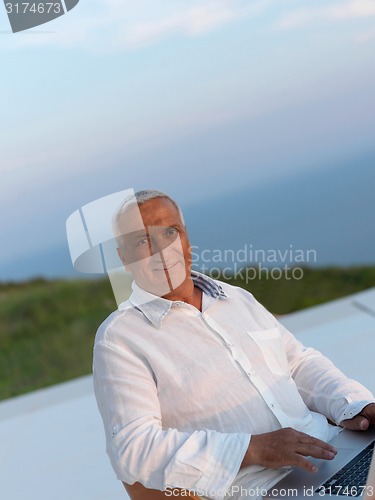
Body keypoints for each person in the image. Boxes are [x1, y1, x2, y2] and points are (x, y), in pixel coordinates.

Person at [93, 189, 375, 500]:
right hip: (268, 487)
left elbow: (297, 363)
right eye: (141, 241)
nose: (161, 250)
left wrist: (354, 404)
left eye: (169, 232)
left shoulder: (236, 298)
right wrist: (251, 448)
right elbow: (134, 449)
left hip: (338, 449)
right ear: (124, 258)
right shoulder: (120, 339)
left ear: (186, 239)